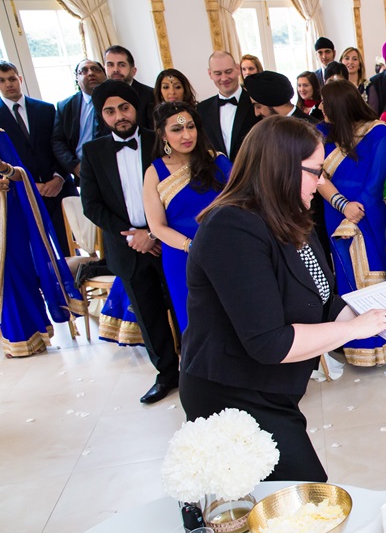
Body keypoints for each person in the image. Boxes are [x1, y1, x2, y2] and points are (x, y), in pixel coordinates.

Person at [183, 116, 386, 481]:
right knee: (306, 495)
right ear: (280, 166)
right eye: (315, 171)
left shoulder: (289, 215)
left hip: (272, 390)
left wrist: (385, 314)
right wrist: (358, 327)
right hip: (233, 392)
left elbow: (325, 299)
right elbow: (271, 343)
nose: (322, 182)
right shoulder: (230, 228)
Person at [80, 80, 180, 404]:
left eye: (124, 107)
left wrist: (153, 232)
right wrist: (133, 235)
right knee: (149, 316)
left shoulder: (158, 142)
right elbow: (92, 205)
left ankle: (196, 371)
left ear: (135, 108)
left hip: (166, 240)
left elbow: (178, 190)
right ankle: (167, 375)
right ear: (102, 116)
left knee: (182, 307)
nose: (119, 116)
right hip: (127, 246)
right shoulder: (93, 152)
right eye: (110, 111)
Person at [315, 80, 386, 368]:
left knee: (375, 275)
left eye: (325, 102)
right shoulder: (322, 133)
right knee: (348, 277)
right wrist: (341, 205)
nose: (320, 107)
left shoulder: (377, 131)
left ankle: (384, 344)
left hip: (370, 214)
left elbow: (378, 178)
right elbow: (317, 175)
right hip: (337, 214)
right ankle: (359, 347)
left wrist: (356, 208)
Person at [140, 102, 231, 331]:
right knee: (197, 324)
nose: (187, 135)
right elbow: (157, 226)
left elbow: (242, 204)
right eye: (177, 130)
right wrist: (192, 246)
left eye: (191, 127)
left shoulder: (218, 162)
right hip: (182, 257)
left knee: (232, 317)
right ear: (162, 134)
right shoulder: (155, 172)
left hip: (225, 250)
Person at [0, 135, 82, 356]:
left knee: (16, 272)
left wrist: (5, 170)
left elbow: (20, 173)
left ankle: (31, 336)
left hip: (8, 218)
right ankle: (12, 338)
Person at [0, 61, 75, 255]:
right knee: (37, 252)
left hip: (58, 189)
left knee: (68, 247)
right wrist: (29, 184)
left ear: (20, 79)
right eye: (1, 81)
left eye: (11, 79)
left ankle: (73, 284)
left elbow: (62, 147)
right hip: (21, 192)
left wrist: (59, 178)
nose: (8, 84)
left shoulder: (47, 109)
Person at [52, 59, 108, 180]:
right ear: (77, 78)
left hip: (114, 165)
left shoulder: (117, 100)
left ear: (105, 75)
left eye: (95, 69)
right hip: (82, 169)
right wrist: (74, 165)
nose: (91, 73)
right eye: (83, 71)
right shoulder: (65, 106)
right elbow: (58, 141)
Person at [199, 51, 258, 161]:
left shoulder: (256, 103)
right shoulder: (202, 109)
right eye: (218, 73)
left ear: (237, 69)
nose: (224, 78)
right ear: (210, 74)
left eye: (228, 71)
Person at [104, 45, 154, 130]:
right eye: (110, 65)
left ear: (133, 71)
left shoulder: (151, 95)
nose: (115, 69)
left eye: (121, 65)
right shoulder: (101, 96)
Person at [244, 71, 313, 121]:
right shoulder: (268, 130)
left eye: (258, 106)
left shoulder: (312, 130)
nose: (256, 113)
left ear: (272, 101)